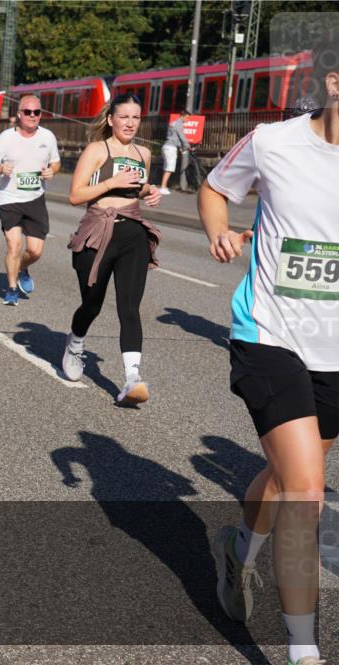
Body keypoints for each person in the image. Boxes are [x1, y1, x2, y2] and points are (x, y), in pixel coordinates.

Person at [200, 41, 338, 665]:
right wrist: (217, 230)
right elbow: (213, 188)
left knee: (287, 480)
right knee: (307, 491)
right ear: (334, 83)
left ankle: (238, 552)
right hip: (268, 334)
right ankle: (303, 652)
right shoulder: (272, 142)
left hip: (333, 348)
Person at [60, 93, 162, 406]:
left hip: (132, 233)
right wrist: (110, 183)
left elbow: (138, 185)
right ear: (110, 120)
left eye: (136, 117)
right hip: (98, 231)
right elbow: (76, 195)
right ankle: (75, 343)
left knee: (129, 307)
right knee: (91, 304)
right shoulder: (97, 149)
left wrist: (149, 192)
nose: (130, 123)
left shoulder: (143, 153)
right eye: (124, 117)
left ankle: (132, 378)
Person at [0, 94, 61, 305]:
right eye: (28, 112)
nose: (32, 116)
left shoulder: (47, 137)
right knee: (13, 245)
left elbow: (56, 163)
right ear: (19, 114)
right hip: (10, 199)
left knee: (35, 251)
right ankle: (11, 289)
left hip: (35, 199)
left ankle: (23, 267)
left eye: (37, 112)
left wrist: (51, 172)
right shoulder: (7, 137)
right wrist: (0, 168)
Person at [159, 106, 191, 195]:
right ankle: (163, 187)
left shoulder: (173, 123)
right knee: (169, 168)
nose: (187, 120)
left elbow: (175, 138)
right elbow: (182, 136)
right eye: (187, 118)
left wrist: (180, 148)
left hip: (166, 146)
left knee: (166, 167)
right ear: (183, 116)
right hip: (171, 148)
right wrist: (187, 145)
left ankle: (163, 186)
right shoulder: (179, 124)